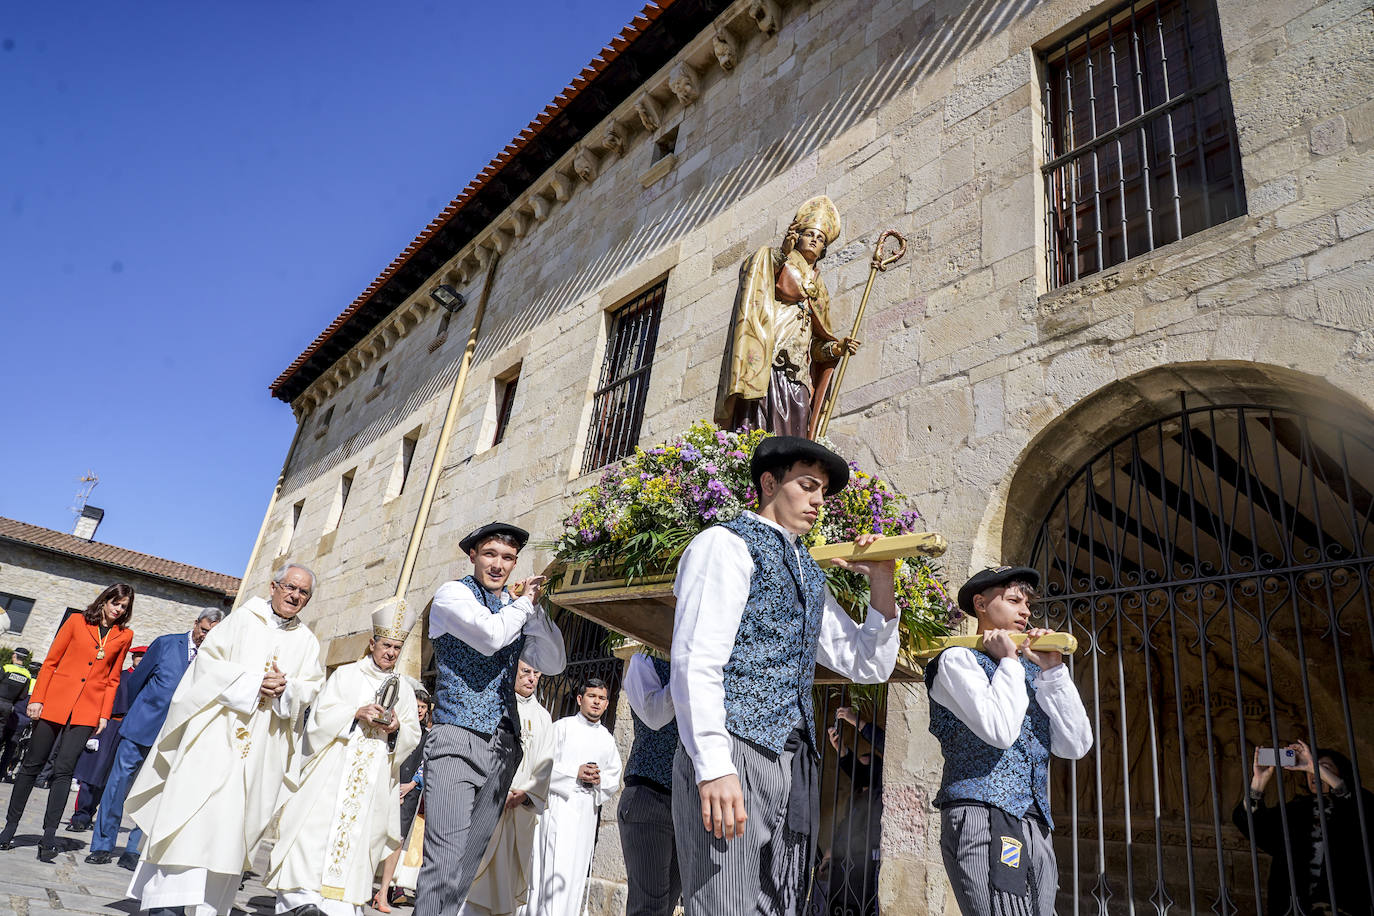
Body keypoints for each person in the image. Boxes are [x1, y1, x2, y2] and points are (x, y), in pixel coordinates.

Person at [670, 435, 901, 916]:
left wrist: (881, 580)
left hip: (792, 763)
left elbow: (867, 663)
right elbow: (696, 660)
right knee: (724, 905)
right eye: (808, 486)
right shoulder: (724, 545)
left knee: (779, 906)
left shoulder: (808, 571)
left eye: (823, 493)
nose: (819, 501)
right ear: (769, 482)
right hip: (734, 750)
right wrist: (713, 765)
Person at [126, 564, 326, 916]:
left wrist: (286, 688)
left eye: (304, 592)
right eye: (290, 587)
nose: (295, 596)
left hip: (261, 752)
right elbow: (206, 666)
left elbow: (310, 687)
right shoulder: (241, 621)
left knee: (231, 832)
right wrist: (253, 683)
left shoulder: (307, 642)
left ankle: (207, 908)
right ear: (274, 586)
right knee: (192, 819)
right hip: (214, 741)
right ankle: (167, 905)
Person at [925, 566, 1093, 916]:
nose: (1026, 611)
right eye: (1014, 600)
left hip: (1034, 821)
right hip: (982, 814)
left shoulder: (1027, 669)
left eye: (1028, 603)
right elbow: (999, 730)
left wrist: (1053, 673)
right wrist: (1010, 663)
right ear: (981, 603)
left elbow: (1075, 744)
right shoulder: (957, 660)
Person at [417, 522, 565, 916]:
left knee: (467, 865)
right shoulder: (453, 595)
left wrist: (534, 611)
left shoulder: (515, 611)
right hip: (456, 737)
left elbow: (553, 661)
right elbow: (490, 637)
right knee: (444, 859)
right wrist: (521, 605)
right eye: (490, 555)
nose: (499, 565)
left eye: (508, 558)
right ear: (473, 556)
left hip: (502, 748)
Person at [266, 598, 423, 916]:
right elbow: (320, 717)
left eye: (397, 647)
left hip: (374, 778)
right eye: (386, 645)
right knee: (315, 832)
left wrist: (395, 728)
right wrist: (356, 712)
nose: (391, 652)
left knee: (360, 840)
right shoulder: (346, 675)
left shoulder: (404, 689)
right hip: (334, 769)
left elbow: (413, 734)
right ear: (372, 643)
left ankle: (340, 905)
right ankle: (301, 900)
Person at [0, 584, 135, 862]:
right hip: (54, 703)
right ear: (105, 600)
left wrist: (103, 714)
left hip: (87, 710)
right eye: (115, 604)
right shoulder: (76, 621)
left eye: (123, 607)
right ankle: (9, 829)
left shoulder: (124, 636)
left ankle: (48, 837)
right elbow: (51, 662)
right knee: (31, 766)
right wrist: (37, 698)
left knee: (64, 770)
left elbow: (112, 678)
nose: (118, 610)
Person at [87, 610, 223, 869]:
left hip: (175, 735)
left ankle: (134, 850)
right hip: (141, 726)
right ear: (195, 624)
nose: (207, 637)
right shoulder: (166, 644)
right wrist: (141, 711)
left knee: (155, 792)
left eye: (213, 633)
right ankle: (103, 844)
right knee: (117, 786)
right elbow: (136, 681)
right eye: (204, 630)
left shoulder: (215, 657)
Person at [716, 196, 859, 439]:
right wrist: (782, 252)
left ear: (824, 249)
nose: (815, 239)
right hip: (770, 361)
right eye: (810, 234)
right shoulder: (775, 260)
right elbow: (756, 274)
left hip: (798, 370)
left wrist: (836, 349)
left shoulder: (819, 289)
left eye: (821, 238)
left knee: (797, 427)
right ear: (797, 236)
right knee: (761, 427)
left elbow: (816, 344)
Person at [1233, 739, 1374, 915]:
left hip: (1344, 905)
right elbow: (1250, 825)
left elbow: (1362, 808)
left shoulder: (1359, 805)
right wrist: (1259, 782)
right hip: (1292, 908)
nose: (1312, 772)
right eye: (1309, 769)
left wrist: (1314, 766)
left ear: (1341, 773)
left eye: (1325, 767)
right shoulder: (1294, 810)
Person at [460, 659, 555, 916]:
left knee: (506, 880)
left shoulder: (543, 718)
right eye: (525, 672)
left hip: (518, 810)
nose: (531, 679)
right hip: (489, 802)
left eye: (536, 674)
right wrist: (493, 789)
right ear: (514, 671)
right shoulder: (495, 705)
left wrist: (527, 794)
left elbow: (545, 764)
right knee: (475, 875)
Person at [532, 679, 622, 916]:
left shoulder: (607, 739)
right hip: (559, 808)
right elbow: (541, 765)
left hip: (585, 812)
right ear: (580, 699)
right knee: (552, 869)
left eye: (602, 699)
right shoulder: (562, 728)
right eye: (592, 696)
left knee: (575, 873)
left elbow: (614, 776)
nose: (597, 702)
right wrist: (575, 773)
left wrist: (598, 780)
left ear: (606, 704)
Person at [618, 653, 679, 916]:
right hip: (648, 796)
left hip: (684, 803)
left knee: (666, 907)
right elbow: (655, 716)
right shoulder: (643, 662)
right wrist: (689, 670)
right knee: (648, 909)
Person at [70, 644, 148, 832]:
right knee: (92, 772)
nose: (141, 660)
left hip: (130, 730)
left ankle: (93, 814)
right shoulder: (120, 677)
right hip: (110, 725)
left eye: (144, 657)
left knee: (112, 776)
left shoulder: (148, 683)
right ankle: (81, 815)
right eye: (138, 656)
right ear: (133, 658)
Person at [374, 688, 432, 912]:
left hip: (410, 791)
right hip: (389, 784)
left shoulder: (429, 735)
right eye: (416, 705)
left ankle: (384, 891)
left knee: (397, 840)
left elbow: (427, 763)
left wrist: (412, 784)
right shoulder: (396, 728)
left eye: (423, 707)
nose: (419, 710)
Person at [825, 707, 885, 916]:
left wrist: (857, 722)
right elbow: (844, 824)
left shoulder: (881, 794)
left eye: (867, 766)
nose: (861, 771)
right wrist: (831, 851)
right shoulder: (856, 797)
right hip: (845, 865)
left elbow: (887, 747)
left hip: (867, 865)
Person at [0, 647, 35, 780]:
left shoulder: (6, 668)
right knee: (10, 746)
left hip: (5, 704)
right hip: (10, 708)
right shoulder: (26, 675)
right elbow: (22, 695)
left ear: (14, 656)